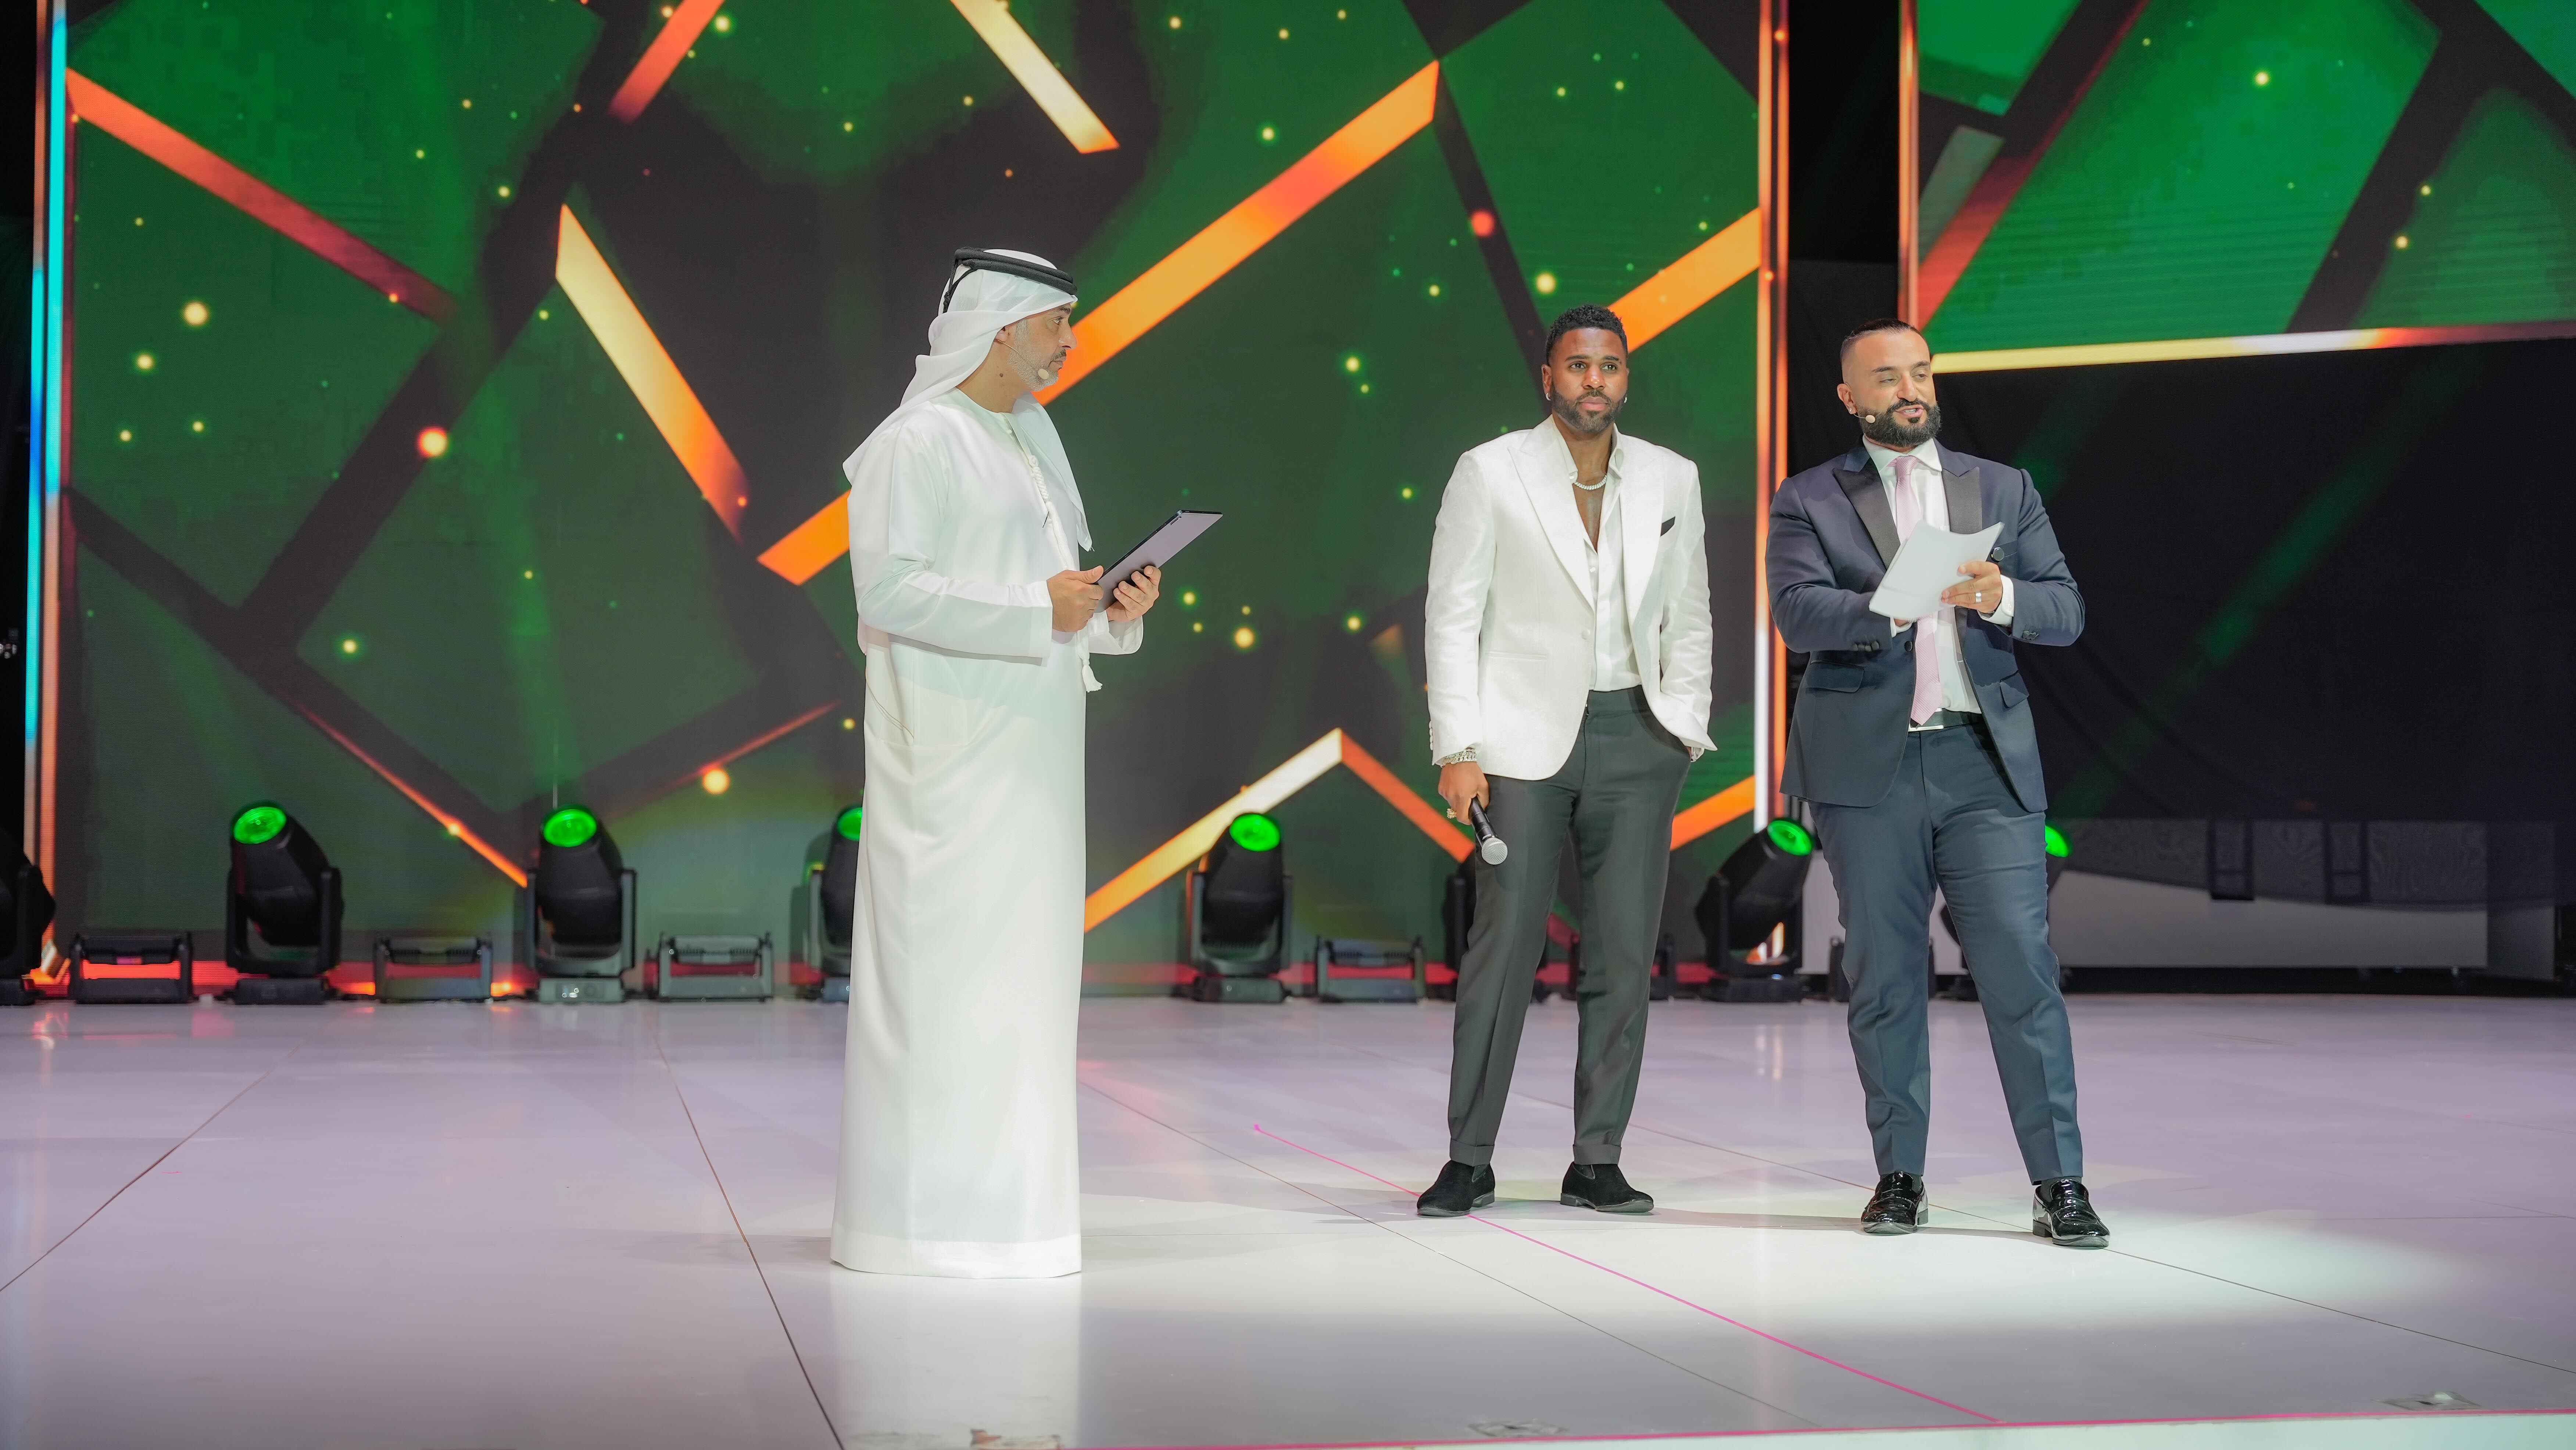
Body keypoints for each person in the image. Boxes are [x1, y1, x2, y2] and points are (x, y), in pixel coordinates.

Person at [833, 249, 1162, 1278]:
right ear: (1005, 327)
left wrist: (1110, 613)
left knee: (1024, 993)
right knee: (942, 994)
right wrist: (1038, 606)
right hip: (948, 769)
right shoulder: (915, 441)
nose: (1070, 342)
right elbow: (888, 593)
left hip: (1035, 761)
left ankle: (1019, 1225)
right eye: (1060, 322)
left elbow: (1051, 598)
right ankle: (916, 1232)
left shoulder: (1026, 438)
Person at [1766, 318, 2107, 1247]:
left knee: (2021, 966)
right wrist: (1897, 602)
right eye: (1887, 377)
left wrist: (1999, 595)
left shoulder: (2002, 486)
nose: (1910, 389)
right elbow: (1797, 614)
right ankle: (1900, 1175)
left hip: (1982, 760)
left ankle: (2060, 1181)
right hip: (1868, 769)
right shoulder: (1809, 497)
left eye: (1920, 372)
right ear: (1850, 397)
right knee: (1884, 973)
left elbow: (2065, 607)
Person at [1417, 303, 1715, 1217]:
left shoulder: (1670, 476)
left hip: (1638, 735)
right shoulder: (1490, 469)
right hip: (1518, 743)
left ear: (1626, 379)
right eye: (1579, 365)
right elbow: (1452, 614)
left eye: (1610, 365)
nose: (1595, 379)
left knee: (1622, 953)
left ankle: (1598, 1159)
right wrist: (1457, 746)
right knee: (1504, 948)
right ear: (1549, 378)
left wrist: (1682, 724)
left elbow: (1691, 614)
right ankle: (1469, 1157)